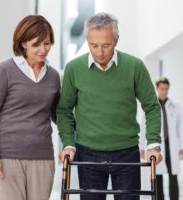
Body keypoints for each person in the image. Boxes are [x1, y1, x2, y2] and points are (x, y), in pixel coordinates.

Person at [57, 12, 162, 200]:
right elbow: (64, 110)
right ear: (87, 39)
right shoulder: (74, 69)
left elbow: (152, 106)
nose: (99, 52)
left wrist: (153, 143)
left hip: (127, 153)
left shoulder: (135, 66)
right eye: (93, 45)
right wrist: (68, 144)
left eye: (106, 45)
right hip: (87, 154)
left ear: (116, 39)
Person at [0, 15, 60, 200]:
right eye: (36, 44)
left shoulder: (54, 76)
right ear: (24, 43)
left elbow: (58, 115)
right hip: (8, 159)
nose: (43, 50)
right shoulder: (6, 70)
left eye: (47, 43)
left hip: (43, 159)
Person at [140, 77, 183, 200]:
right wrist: (142, 147)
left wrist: (182, 147)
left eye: (166, 89)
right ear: (157, 89)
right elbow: (144, 127)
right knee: (157, 176)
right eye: (162, 89)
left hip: (171, 145)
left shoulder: (175, 106)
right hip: (157, 146)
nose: (164, 91)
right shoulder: (150, 105)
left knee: (173, 176)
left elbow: (179, 128)